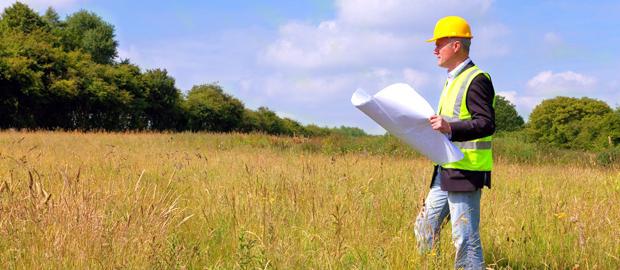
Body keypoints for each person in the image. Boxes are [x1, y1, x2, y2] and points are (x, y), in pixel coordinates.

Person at [413, 16, 495, 269]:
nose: (435, 49)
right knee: (424, 228)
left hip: (466, 170)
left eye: (440, 43)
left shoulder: (476, 78)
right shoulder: (452, 79)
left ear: (456, 46)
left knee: (465, 238)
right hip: (445, 169)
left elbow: (486, 123)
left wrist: (450, 127)